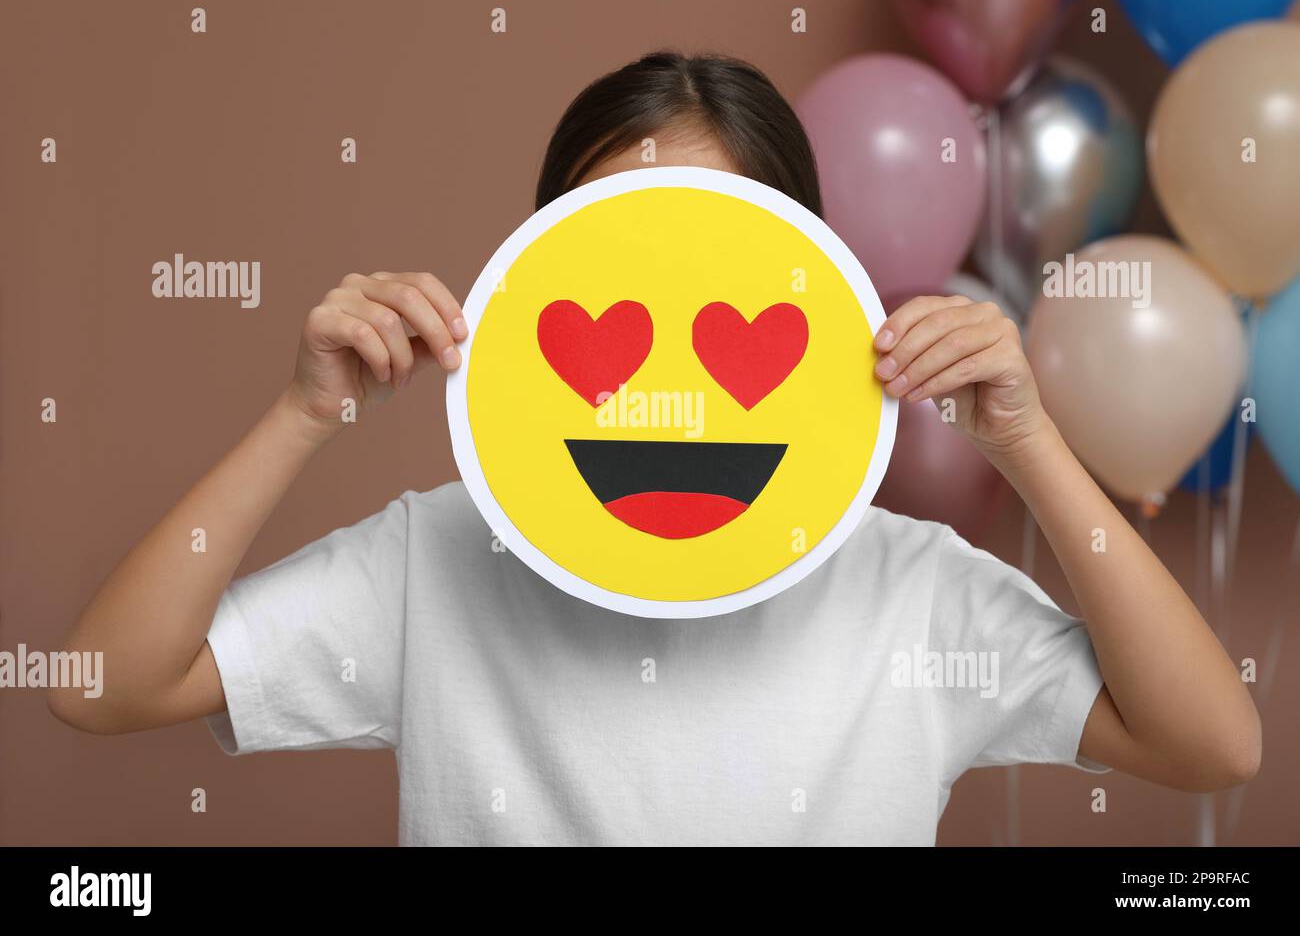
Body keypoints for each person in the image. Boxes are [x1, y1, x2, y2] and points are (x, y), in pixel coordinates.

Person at [50, 52, 1260, 846]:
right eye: (621, 250)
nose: (669, 373)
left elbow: (1212, 741)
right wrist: (302, 413)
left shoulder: (910, 588)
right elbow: (100, 687)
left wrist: (1029, 439)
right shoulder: (436, 560)